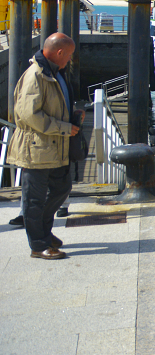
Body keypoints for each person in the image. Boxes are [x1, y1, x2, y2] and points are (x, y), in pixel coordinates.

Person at [8, 33, 85, 260]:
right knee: (34, 198)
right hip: (36, 148)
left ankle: (44, 232)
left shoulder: (55, 72)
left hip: (54, 147)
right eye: (69, 55)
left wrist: (71, 116)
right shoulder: (35, 76)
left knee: (62, 188)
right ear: (59, 52)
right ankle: (38, 245)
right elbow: (29, 114)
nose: (70, 60)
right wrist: (63, 127)